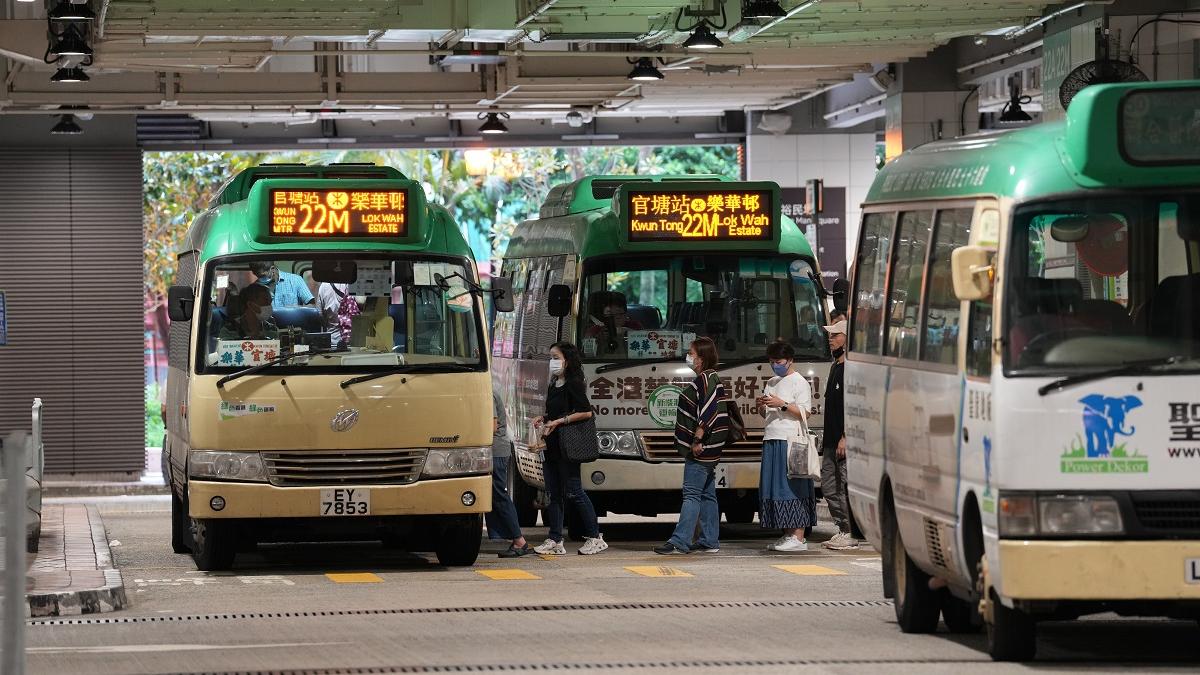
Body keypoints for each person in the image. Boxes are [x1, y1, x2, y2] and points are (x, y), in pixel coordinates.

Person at [532, 342, 608, 556]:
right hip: (551, 444)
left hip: (568, 446)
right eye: (551, 357)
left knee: (575, 491)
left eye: (556, 358)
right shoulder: (554, 383)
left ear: (567, 360)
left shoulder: (574, 383)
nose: (552, 362)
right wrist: (544, 418)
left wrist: (560, 421)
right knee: (553, 493)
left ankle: (595, 537)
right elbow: (555, 410)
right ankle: (555, 539)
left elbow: (586, 412)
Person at [654, 336, 728, 555]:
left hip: (702, 448)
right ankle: (709, 540)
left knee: (691, 494)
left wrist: (697, 440)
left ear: (701, 358)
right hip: (710, 448)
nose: (688, 357)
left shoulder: (707, 378)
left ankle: (680, 541)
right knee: (706, 494)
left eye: (691, 353)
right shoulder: (709, 378)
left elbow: (708, 412)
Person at [755, 339, 816, 552]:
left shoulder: (800, 382)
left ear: (790, 360)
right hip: (772, 437)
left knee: (792, 486)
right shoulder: (771, 382)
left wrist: (782, 404)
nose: (775, 365)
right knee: (776, 488)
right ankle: (788, 533)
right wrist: (761, 406)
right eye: (771, 362)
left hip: (791, 440)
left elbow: (805, 413)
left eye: (779, 362)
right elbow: (766, 414)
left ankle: (798, 536)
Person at [820, 319, 858, 550]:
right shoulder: (835, 366)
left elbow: (852, 406)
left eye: (835, 335)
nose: (830, 339)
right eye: (830, 335)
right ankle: (843, 528)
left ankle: (851, 532)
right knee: (828, 486)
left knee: (843, 486)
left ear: (847, 338)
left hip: (842, 441)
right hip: (830, 441)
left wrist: (845, 436)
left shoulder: (850, 370)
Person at [487, 389, 534, 557]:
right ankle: (513, 538)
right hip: (493, 451)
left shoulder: (488, 394)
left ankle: (519, 541)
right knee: (493, 495)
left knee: (499, 495)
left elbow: (492, 426)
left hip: (496, 452)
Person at [250, 261, 315, 309]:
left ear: (272, 269)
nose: (261, 279)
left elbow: (312, 305)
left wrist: (297, 309)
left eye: (263, 276)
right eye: (258, 276)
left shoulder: (295, 280)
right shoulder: (255, 288)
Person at [317, 281, 359, 347]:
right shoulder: (353, 282)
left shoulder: (323, 286)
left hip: (332, 340)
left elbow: (320, 315)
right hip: (353, 341)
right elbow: (361, 304)